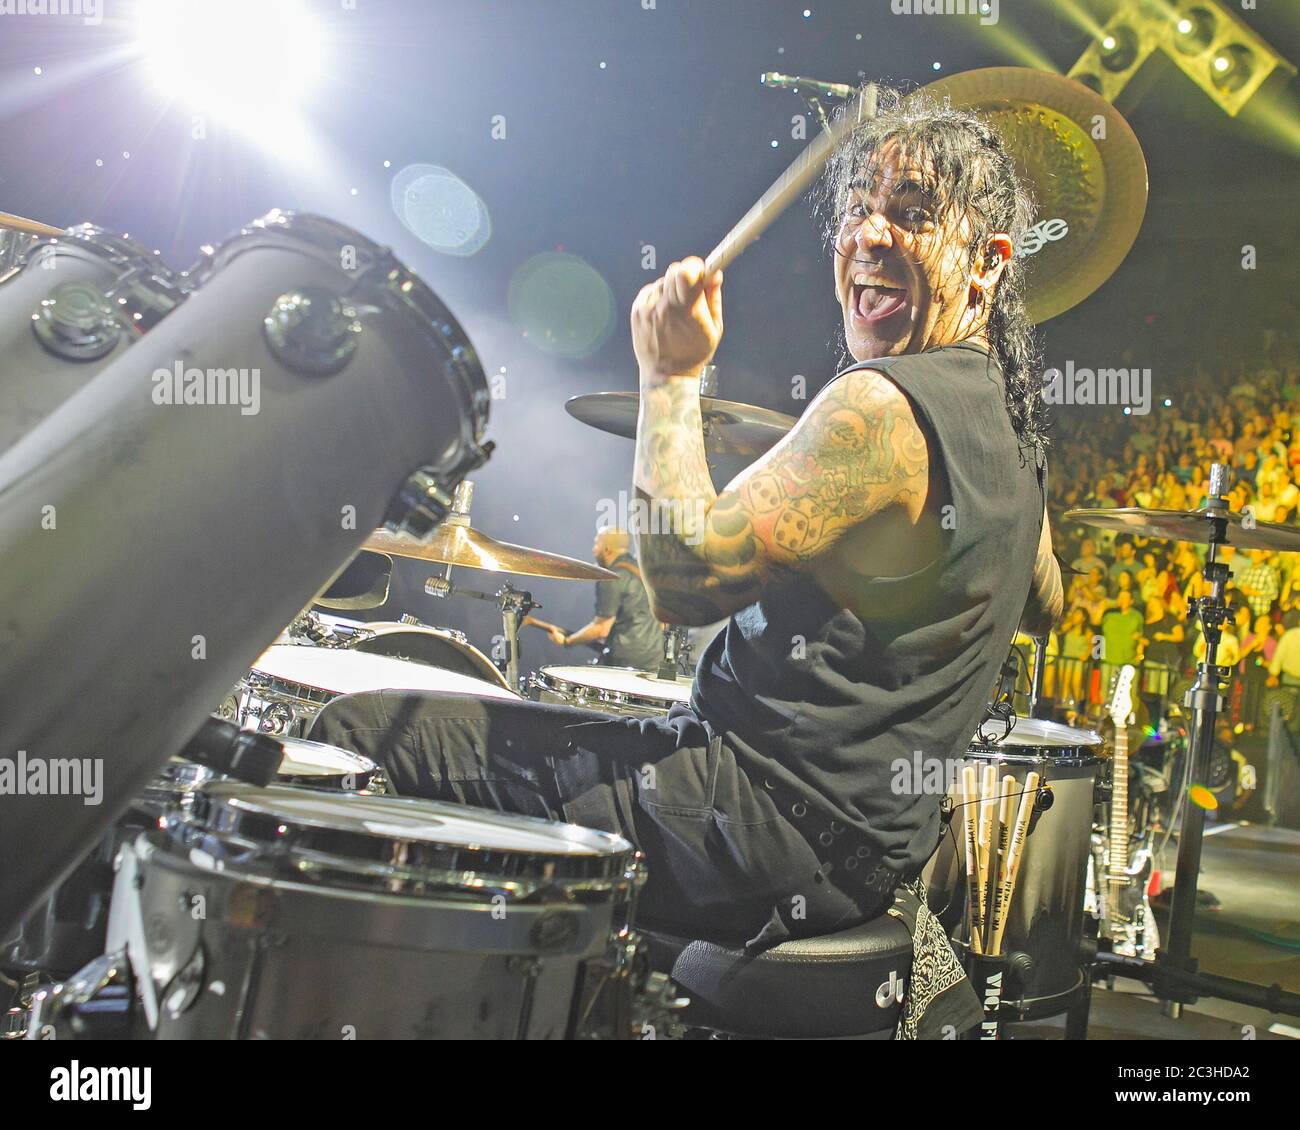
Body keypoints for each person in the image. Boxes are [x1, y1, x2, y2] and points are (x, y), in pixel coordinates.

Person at [311, 89, 1061, 1021]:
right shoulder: (1013, 431)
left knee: (356, 736)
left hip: (748, 824)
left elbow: (680, 581)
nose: (870, 232)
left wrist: (671, 376)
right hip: (861, 852)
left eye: (912, 213)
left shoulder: (882, 405)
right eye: (860, 205)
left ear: (987, 268)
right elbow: (1044, 599)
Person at [524, 527, 663, 670]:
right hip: (654, 658)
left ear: (607, 550)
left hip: (627, 661)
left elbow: (601, 629)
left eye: (596, 544)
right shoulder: (644, 570)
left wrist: (567, 641)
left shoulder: (611, 578)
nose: (593, 550)